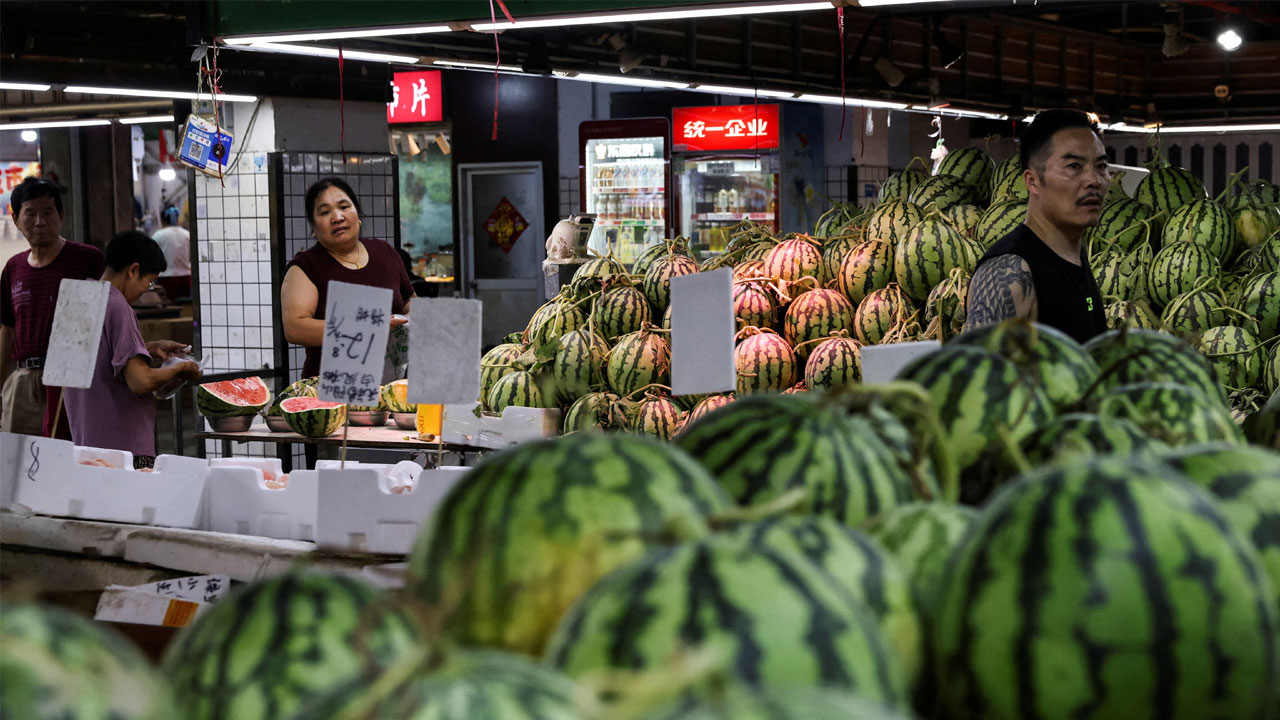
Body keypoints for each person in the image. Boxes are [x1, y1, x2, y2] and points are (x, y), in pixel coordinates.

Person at [964, 109, 1109, 344]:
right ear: (1032, 181)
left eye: (1101, 166)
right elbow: (977, 375)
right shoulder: (1009, 270)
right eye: (1074, 166)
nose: (1094, 180)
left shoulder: (1074, 256)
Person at [62, 232, 200, 468]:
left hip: (85, 444)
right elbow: (141, 381)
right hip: (124, 450)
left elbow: (98, 359)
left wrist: (146, 348)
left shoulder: (77, 297)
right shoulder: (118, 305)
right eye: (150, 281)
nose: (147, 289)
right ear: (133, 270)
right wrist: (183, 368)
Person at [1, 178, 105, 438]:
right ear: (16, 220)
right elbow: (7, 332)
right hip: (24, 380)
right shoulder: (13, 268)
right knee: (19, 463)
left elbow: (108, 321)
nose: (39, 222)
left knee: (68, 459)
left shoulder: (87, 259)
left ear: (61, 215)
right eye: (30, 214)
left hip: (73, 382)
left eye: (47, 212)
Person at [280, 177, 412, 379]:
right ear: (313, 227)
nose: (337, 217)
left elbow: (408, 300)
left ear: (357, 214)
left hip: (391, 385)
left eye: (344, 206)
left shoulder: (384, 252)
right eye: (325, 212)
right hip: (335, 390)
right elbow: (295, 329)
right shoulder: (305, 266)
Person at [152, 205, 191, 300]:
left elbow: (152, 258)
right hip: (186, 278)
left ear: (163, 220)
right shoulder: (187, 235)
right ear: (177, 218)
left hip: (166, 279)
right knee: (185, 309)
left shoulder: (158, 235)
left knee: (168, 309)